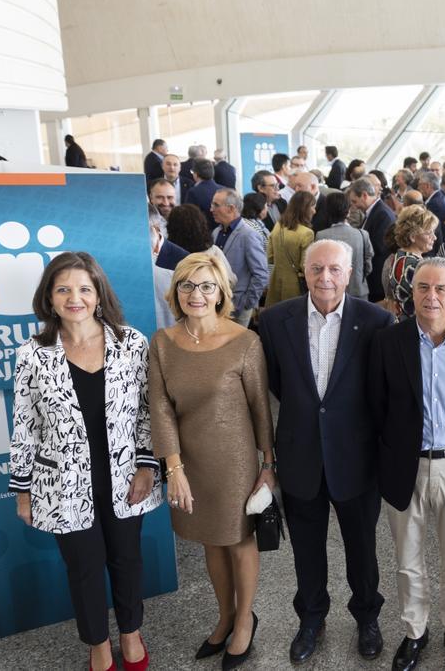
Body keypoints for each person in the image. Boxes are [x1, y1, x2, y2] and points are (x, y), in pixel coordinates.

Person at [10, 252, 160, 671]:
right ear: (50, 298)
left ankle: (130, 634)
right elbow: (25, 426)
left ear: (98, 295)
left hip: (127, 476)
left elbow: (149, 411)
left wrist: (148, 466)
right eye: (63, 289)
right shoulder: (33, 354)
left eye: (83, 289)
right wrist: (23, 493)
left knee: (127, 559)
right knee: (84, 568)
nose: (74, 297)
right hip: (62, 487)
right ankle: (97, 643)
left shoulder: (131, 343)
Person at [257, 240, 394, 664]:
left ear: (349, 273)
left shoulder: (377, 321)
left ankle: (367, 616)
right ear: (304, 271)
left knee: (362, 547)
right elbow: (278, 383)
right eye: (317, 269)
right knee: (307, 548)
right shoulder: (275, 320)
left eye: (334, 269)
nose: (325, 278)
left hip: (355, 457)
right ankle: (311, 618)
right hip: (301, 455)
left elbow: (380, 390)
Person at [148, 252, 275, 670]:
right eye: (187, 285)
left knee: (238, 539)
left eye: (205, 285)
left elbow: (261, 407)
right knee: (210, 540)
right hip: (190, 462)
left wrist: (268, 466)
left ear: (221, 291)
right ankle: (223, 616)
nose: (195, 294)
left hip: (236, 458)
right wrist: (174, 468)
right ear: (176, 291)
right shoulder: (163, 343)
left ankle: (244, 620)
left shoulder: (244, 341)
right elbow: (161, 410)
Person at [370, 258, 445, 671]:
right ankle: (414, 632)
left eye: (441, 289)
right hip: (405, 466)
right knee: (407, 559)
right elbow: (376, 409)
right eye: (423, 287)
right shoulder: (389, 342)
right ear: (412, 292)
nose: (431, 296)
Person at [210, 189, 268, 327]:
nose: (211, 209)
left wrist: (247, 303)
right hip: (216, 304)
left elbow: (261, 274)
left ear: (231, 208)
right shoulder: (216, 232)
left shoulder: (249, 235)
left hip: (238, 307)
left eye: (216, 205)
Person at [317, 193, 375, 300]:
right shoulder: (362, 235)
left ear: (327, 211)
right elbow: (368, 266)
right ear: (348, 212)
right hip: (358, 290)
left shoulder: (321, 236)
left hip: (330, 290)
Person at [266, 190, 316, 306]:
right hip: (295, 286)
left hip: (275, 281)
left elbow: (270, 257)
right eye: (313, 207)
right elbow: (305, 266)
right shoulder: (307, 233)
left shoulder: (278, 225)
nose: (315, 211)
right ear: (305, 209)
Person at [165, 204, 236, 286]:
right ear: (201, 225)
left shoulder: (168, 256)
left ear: (171, 228)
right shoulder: (213, 252)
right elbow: (230, 281)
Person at [389, 205, 439, 319]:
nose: (434, 237)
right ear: (413, 237)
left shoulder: (399, 256)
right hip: (415, 325)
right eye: (429, 233)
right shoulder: (415, 265)